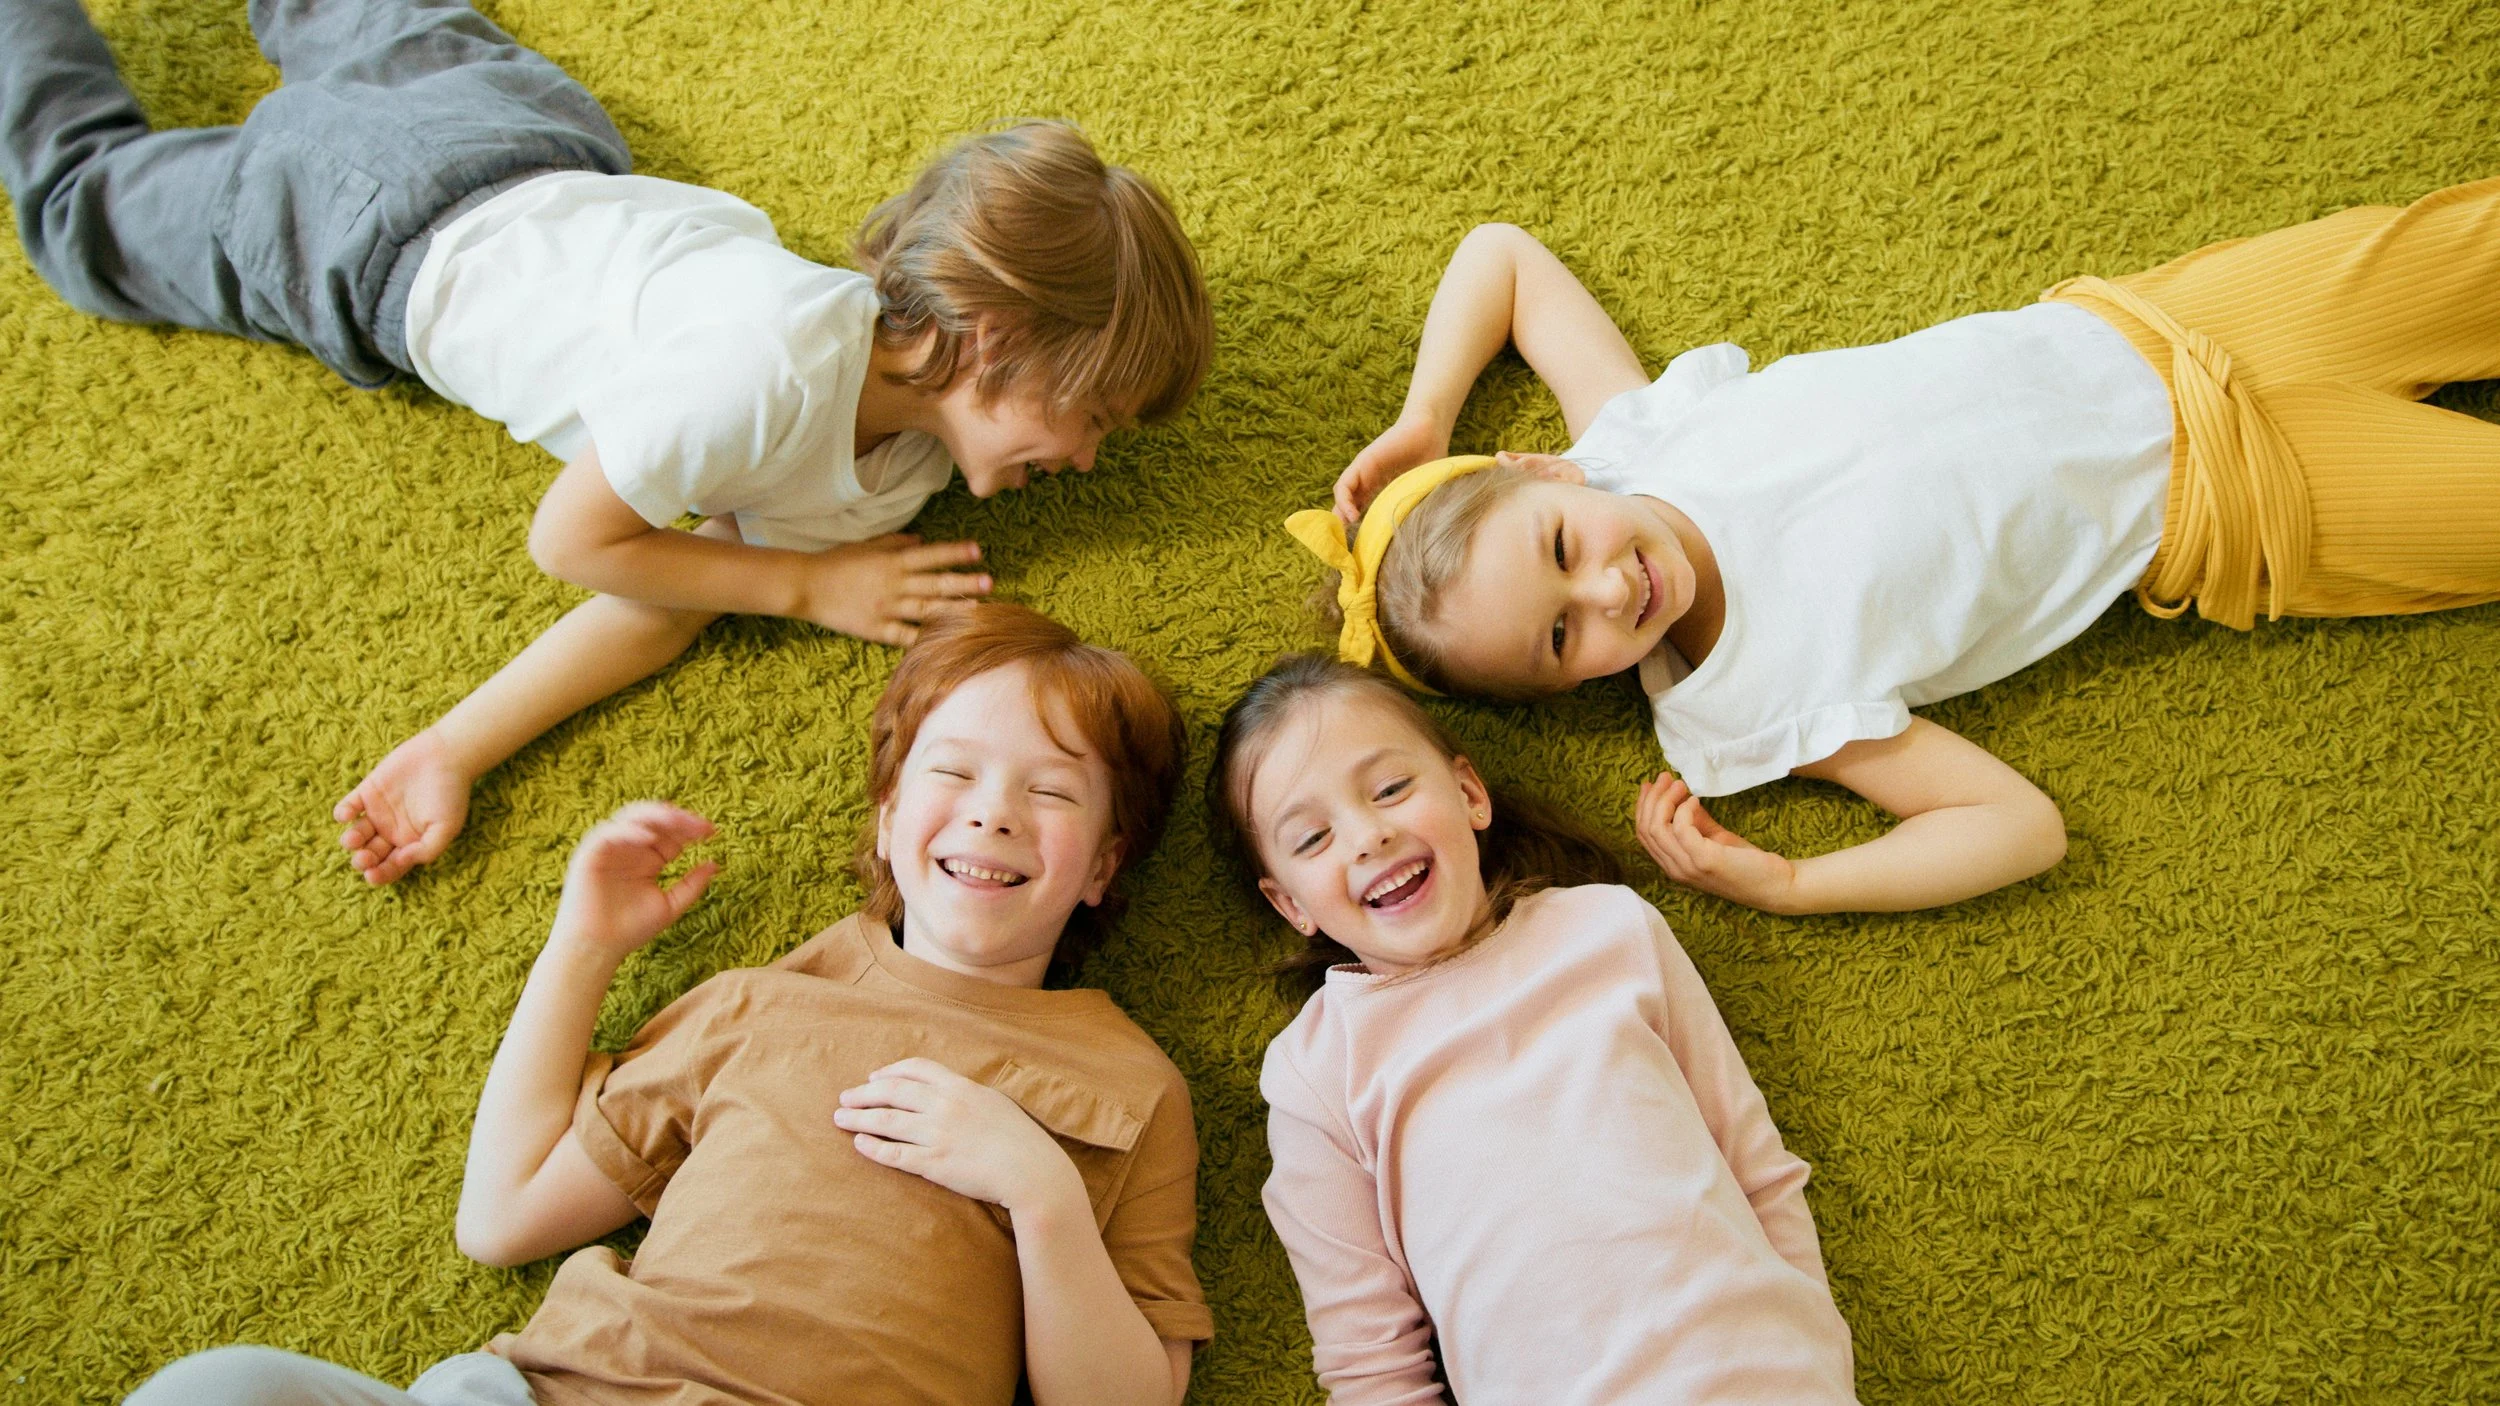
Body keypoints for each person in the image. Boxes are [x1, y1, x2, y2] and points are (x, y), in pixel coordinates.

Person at [0, 0, 1212, 885]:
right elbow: (578, 538)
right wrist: (806, 586)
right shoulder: (759, 374)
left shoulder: (905, 467)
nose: (1094, 460)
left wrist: (453, 745)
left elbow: (668, 591)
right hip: (360, 237)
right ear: (993, 337)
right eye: (1093, 415)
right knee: (78, 209)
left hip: (523, 139)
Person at [1298, 188, 2500, 914]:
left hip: (2175, 321)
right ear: (1566, 691)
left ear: (1543, 471)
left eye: (1564, 546)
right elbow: (2021, 827)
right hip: (2232, 502)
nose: (1611, 590)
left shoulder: (1639, 436)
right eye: (1565, 639)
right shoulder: (1746, 710)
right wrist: (1792, 882)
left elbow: (1499, 256)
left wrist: (1425, 417)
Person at [125, 602, 1209, 1405]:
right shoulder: (755, 1004)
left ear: (1105, 863)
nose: (993, 815)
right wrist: (583, 944)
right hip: (565, 1390)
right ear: (885, 818)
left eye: (1051, 790)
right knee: (215, 1387)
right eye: (954, 774)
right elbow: (501, 1218)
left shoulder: (1129, 1082)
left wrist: (1039, 1192)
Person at [1208, 653, 1855, 1404]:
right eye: (1312, 839)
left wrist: (1818, 1354)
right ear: (1291, 905)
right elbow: (1371, 1363)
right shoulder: (1318, 1072)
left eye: (1390, 789)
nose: (1366, 836)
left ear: (1469, 793)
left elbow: (1757, 1168)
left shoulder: (1610, 929)